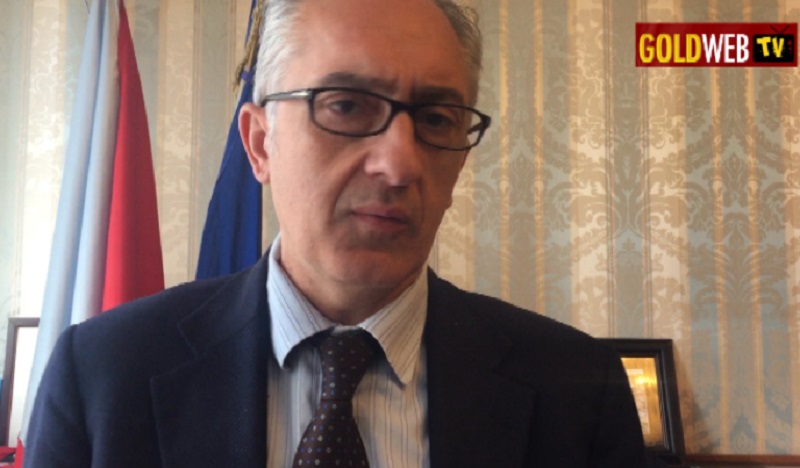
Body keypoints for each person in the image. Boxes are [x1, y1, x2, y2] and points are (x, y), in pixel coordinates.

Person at [24, 0, 649, 466]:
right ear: (260, 143)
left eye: (437, 118)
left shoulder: (577, 389)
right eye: (346, 106)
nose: (399, 165)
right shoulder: (103, 376)